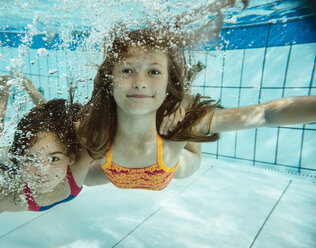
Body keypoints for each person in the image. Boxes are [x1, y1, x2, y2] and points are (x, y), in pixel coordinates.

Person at [76, 27, 316, 190]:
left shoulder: (181, 125)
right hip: (112, 173)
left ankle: (182, 101)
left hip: (170, 166)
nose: (140, 82)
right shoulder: (93, 126)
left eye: (154, 71)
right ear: (110, 78)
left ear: (168, 81)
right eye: (127, 70)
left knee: (185, 125)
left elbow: (265, 114)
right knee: (83, 178)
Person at [0, 76, 91, 247]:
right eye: (30, 159)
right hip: (17, 167)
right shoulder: (11, 197)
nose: (42, 171)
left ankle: (28, 87)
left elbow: (66, 123)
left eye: (54, 159)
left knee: (60, 130)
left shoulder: (80, 160)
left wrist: (31, 90)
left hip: (42, 152)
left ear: (70, 158)